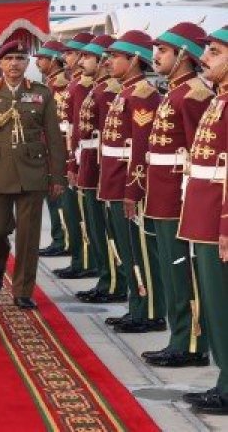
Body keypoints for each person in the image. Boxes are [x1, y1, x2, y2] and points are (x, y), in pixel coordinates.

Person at [0, 40, 66, 310]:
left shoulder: (41, 93)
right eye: (9, 58)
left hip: (32, 172)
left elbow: (54, 138)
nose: (14, 64)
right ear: (0, 63)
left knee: (29, 237)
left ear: (27, 63)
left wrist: (58, 176)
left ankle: (23, 290)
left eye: (20, 58)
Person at [139, 23, 212, 366]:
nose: (155, 56)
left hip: (179, 197)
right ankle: (177, 336)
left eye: (163, 51)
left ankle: (192, 343)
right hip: (162, 194)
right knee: (170, 270)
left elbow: (203, 150)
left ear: (183, 55)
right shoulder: (175, 91)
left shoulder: (195, 94)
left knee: (184, 271)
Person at [98, 30, 166, 333]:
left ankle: (150, 311)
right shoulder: (125, 92)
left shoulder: (143, 95)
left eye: (116, 57)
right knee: (125, 249)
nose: (110, 61)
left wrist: (133, 188)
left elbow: (140, 145)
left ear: (135, 59)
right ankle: (136, 305)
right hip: (114, 178)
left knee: (140, 253)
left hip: (128, 180)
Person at [180, 25, 228, 414]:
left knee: (223, 302)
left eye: (214, 51)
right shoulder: (219, 100)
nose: (205, 57)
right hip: (205, 216)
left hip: (219, 221)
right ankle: (223, 380)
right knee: (215, 302)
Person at [73, 35, 129, 304]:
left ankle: (114, 280)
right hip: (90, 163)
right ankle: (106, 277)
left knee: (106, 229)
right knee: (96, 227)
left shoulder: (108, 90)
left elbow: (111, 135)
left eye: (88, 57)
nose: (82, 62)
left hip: (99, 166)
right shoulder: (99, 87)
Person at [53, 33, 99, 280]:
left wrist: (73, 159)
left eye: (70, 53)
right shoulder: (75, 83)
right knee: (74, 214)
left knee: (81, 216)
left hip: (79, 155)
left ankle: (85, 260)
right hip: (69, 151)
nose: (65, 58)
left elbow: (80, 126)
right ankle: (79, 259)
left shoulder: (83, 85)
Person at [34, 41, 70, 259]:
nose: (38, 63)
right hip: (47, 147)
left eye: (42, 58)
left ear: (54, 59)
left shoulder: (60, 85)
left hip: (57, 147)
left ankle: (62, 238)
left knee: (58, 197)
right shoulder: (50, 83)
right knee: (53, 197)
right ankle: (59, 237)